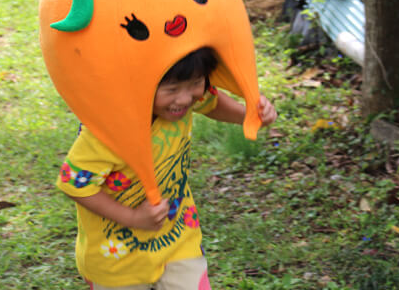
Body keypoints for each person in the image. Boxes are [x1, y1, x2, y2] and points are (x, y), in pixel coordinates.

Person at [56, 47, 277, 289]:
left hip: (178, 239)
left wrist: (249, 115)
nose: (184, 99)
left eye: (195, 83)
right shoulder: (108, 129)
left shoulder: (184, 100)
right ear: (136, 84)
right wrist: (133, 218)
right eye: (171, 89)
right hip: (116, 258)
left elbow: (211, 102)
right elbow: (74, 184)